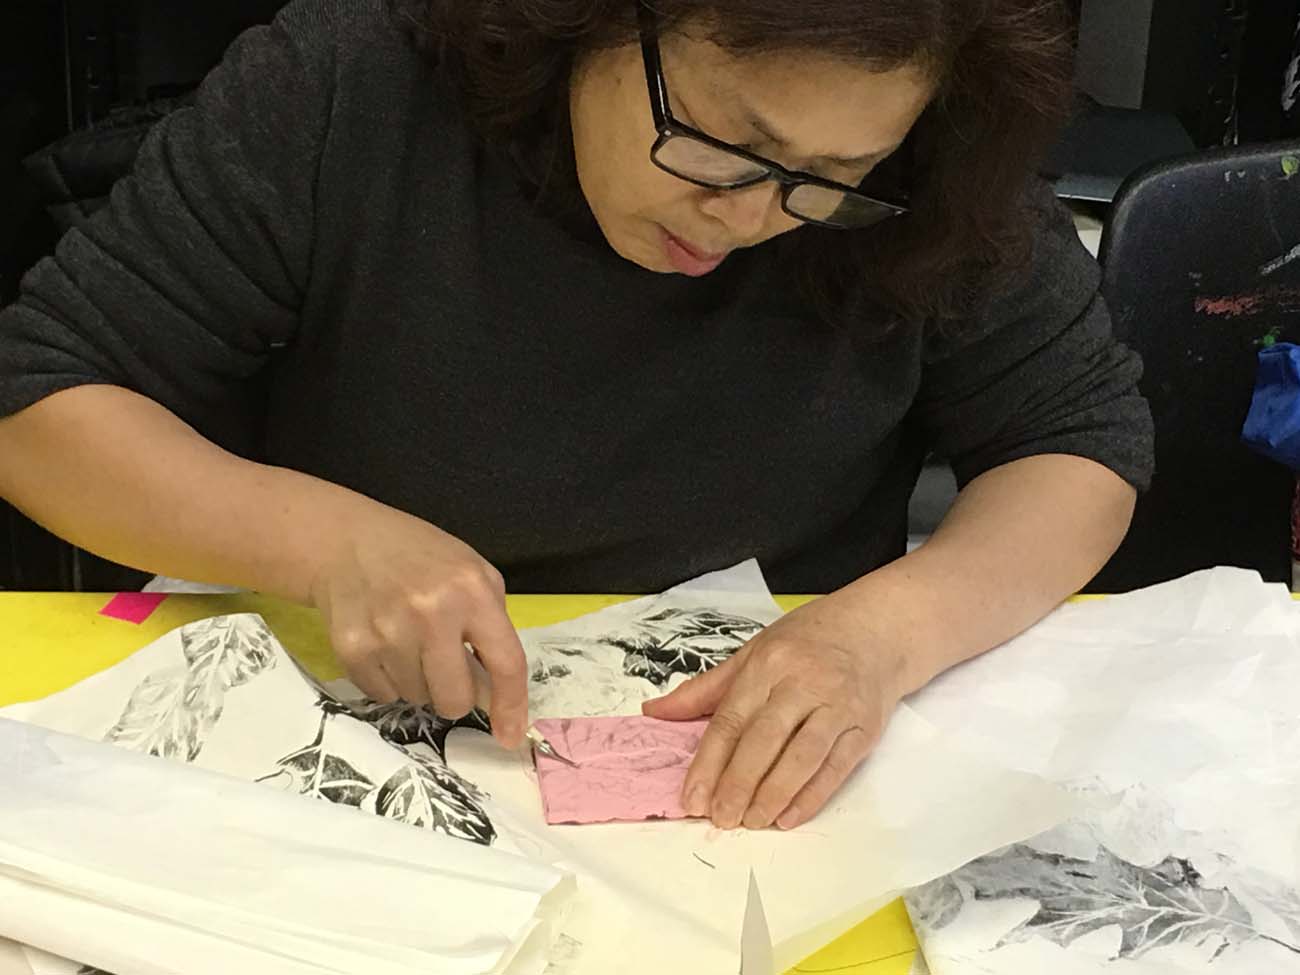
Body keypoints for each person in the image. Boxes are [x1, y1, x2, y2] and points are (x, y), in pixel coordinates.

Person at [0, 0, 1153, 831]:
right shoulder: (353, 83)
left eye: (828, 178)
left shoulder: (937, 169)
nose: (749, 217)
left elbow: (1075, 444)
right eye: (721, 145)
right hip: (348, 736)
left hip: (760, 782)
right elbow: (39, 401)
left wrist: (883, 634)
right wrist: (322, 542)